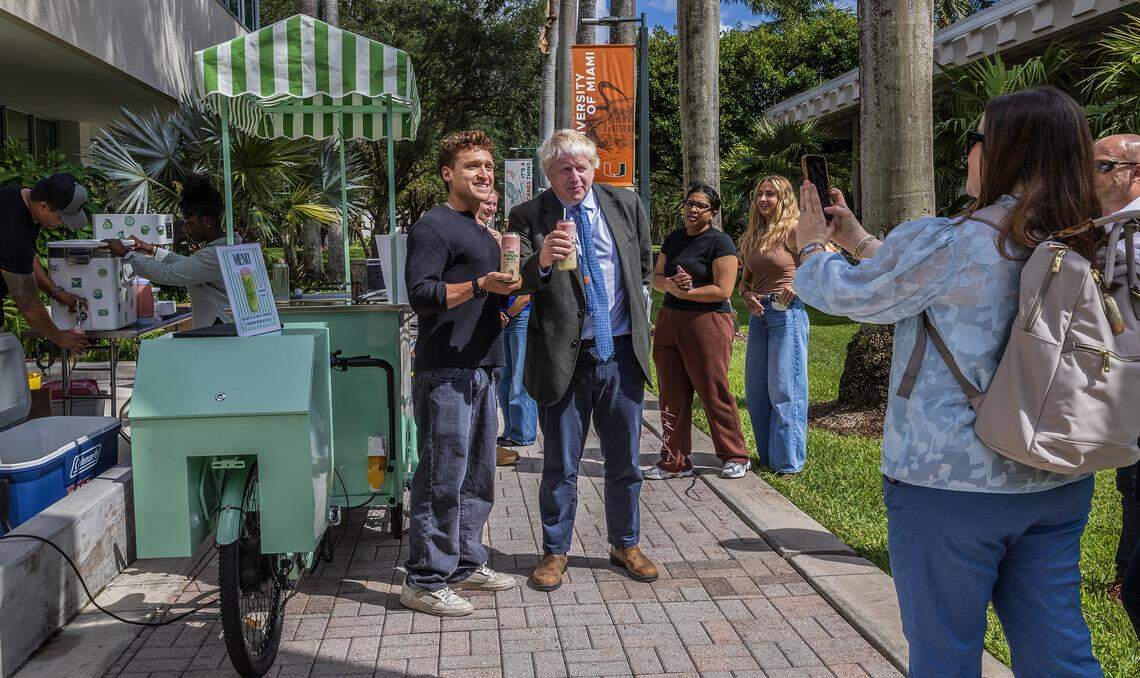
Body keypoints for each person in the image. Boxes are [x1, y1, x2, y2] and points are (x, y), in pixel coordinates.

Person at [793, 87, 1103, 675]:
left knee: (945, 654)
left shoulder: (952, 239)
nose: (968, 151)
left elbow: (852, 295)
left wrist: (811, 245)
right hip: (1057, 473)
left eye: (976, 139)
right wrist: (858, 240)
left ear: (1008, 151)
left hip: (950, 481)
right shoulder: (1087, 240)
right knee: (1057, 649)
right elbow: (925, 281)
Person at [508, 129, 656, 591]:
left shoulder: (625, 204)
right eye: (563, 170)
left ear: (594, 167)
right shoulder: (528, 215)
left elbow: (643, 265)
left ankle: (625, 543)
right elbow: (516, 279)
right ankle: (555, 551)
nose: (574, 177)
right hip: (563, 361)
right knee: (560, 464)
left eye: (581, 168)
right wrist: (542, 261)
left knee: (625, 461)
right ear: (548, 175)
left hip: (620, 355)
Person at [402, 131, 520, 616]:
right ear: (448, 174)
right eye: (473, 166)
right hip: (445, 371)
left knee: (477, 476)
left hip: (482, 365)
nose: (484, 174)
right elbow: (421, 295)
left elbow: (493, 291)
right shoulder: (433, 227)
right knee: (441, 477)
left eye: (488, 166)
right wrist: (479, 285)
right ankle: (425, 580)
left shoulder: (479, 229)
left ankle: (465, 563)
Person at [645, 184, 749, 480]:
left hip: (707, 321)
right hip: (670, 320)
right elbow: (656, 277)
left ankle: (735, 455)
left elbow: (723, 290)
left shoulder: (721, 242)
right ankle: (674, 461)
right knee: (670, 394)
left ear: (712, 213)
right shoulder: (673, 239)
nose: (692, 209)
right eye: (689, 203)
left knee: (713, 390)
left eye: (700, 205)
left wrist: (687, 292)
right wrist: (670, 286)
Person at [1092, 134, 1140, 607]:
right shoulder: (1108, 228)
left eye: (1102, 166)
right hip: (1124, 379)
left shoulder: (1133, 231)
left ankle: (1128, 578)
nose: (1091, 176)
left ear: (1136, 173)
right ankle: (1126, 572)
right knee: (1130, 480)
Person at [738, 175, 810, 475]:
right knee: (757, 391)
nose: (763, 199)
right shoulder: (757, 234)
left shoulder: (796, 229)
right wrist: (746, 294)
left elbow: (824, 262)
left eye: (771, 194)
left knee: (784, 389)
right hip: (759, 316)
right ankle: (768, 458)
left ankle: (788, 463)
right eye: (760, 194)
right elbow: (745, 281)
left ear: (785, 198)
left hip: (787, 313)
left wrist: (798, 284)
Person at [103, 174, 237, 330]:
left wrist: (127, 254)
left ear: (207, 221)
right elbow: (191, 266)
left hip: (219, 331)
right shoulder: (232, 245)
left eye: (190, 221)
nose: (186, 227)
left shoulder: (216, 254)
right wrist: (153, 251)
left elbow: (169, 273)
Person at [475, 189, 533, 466]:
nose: (490, 208)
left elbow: (528, 290)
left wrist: (508, 313)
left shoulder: (512, 244)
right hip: (500, 316)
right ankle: (510, 431)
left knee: (520, 376)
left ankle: (523, 432)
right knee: (506, 377)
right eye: (487, 203)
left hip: (517, 315)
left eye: (494, 204)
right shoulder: (489, 238)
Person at [0, 173, 90, 352]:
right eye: (61, 218)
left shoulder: (17, 196)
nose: (61, 224)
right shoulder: (13, 235)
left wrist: (55, 292)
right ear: (43, 206)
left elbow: (27, 257)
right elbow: (28, 304)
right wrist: (61, 338)